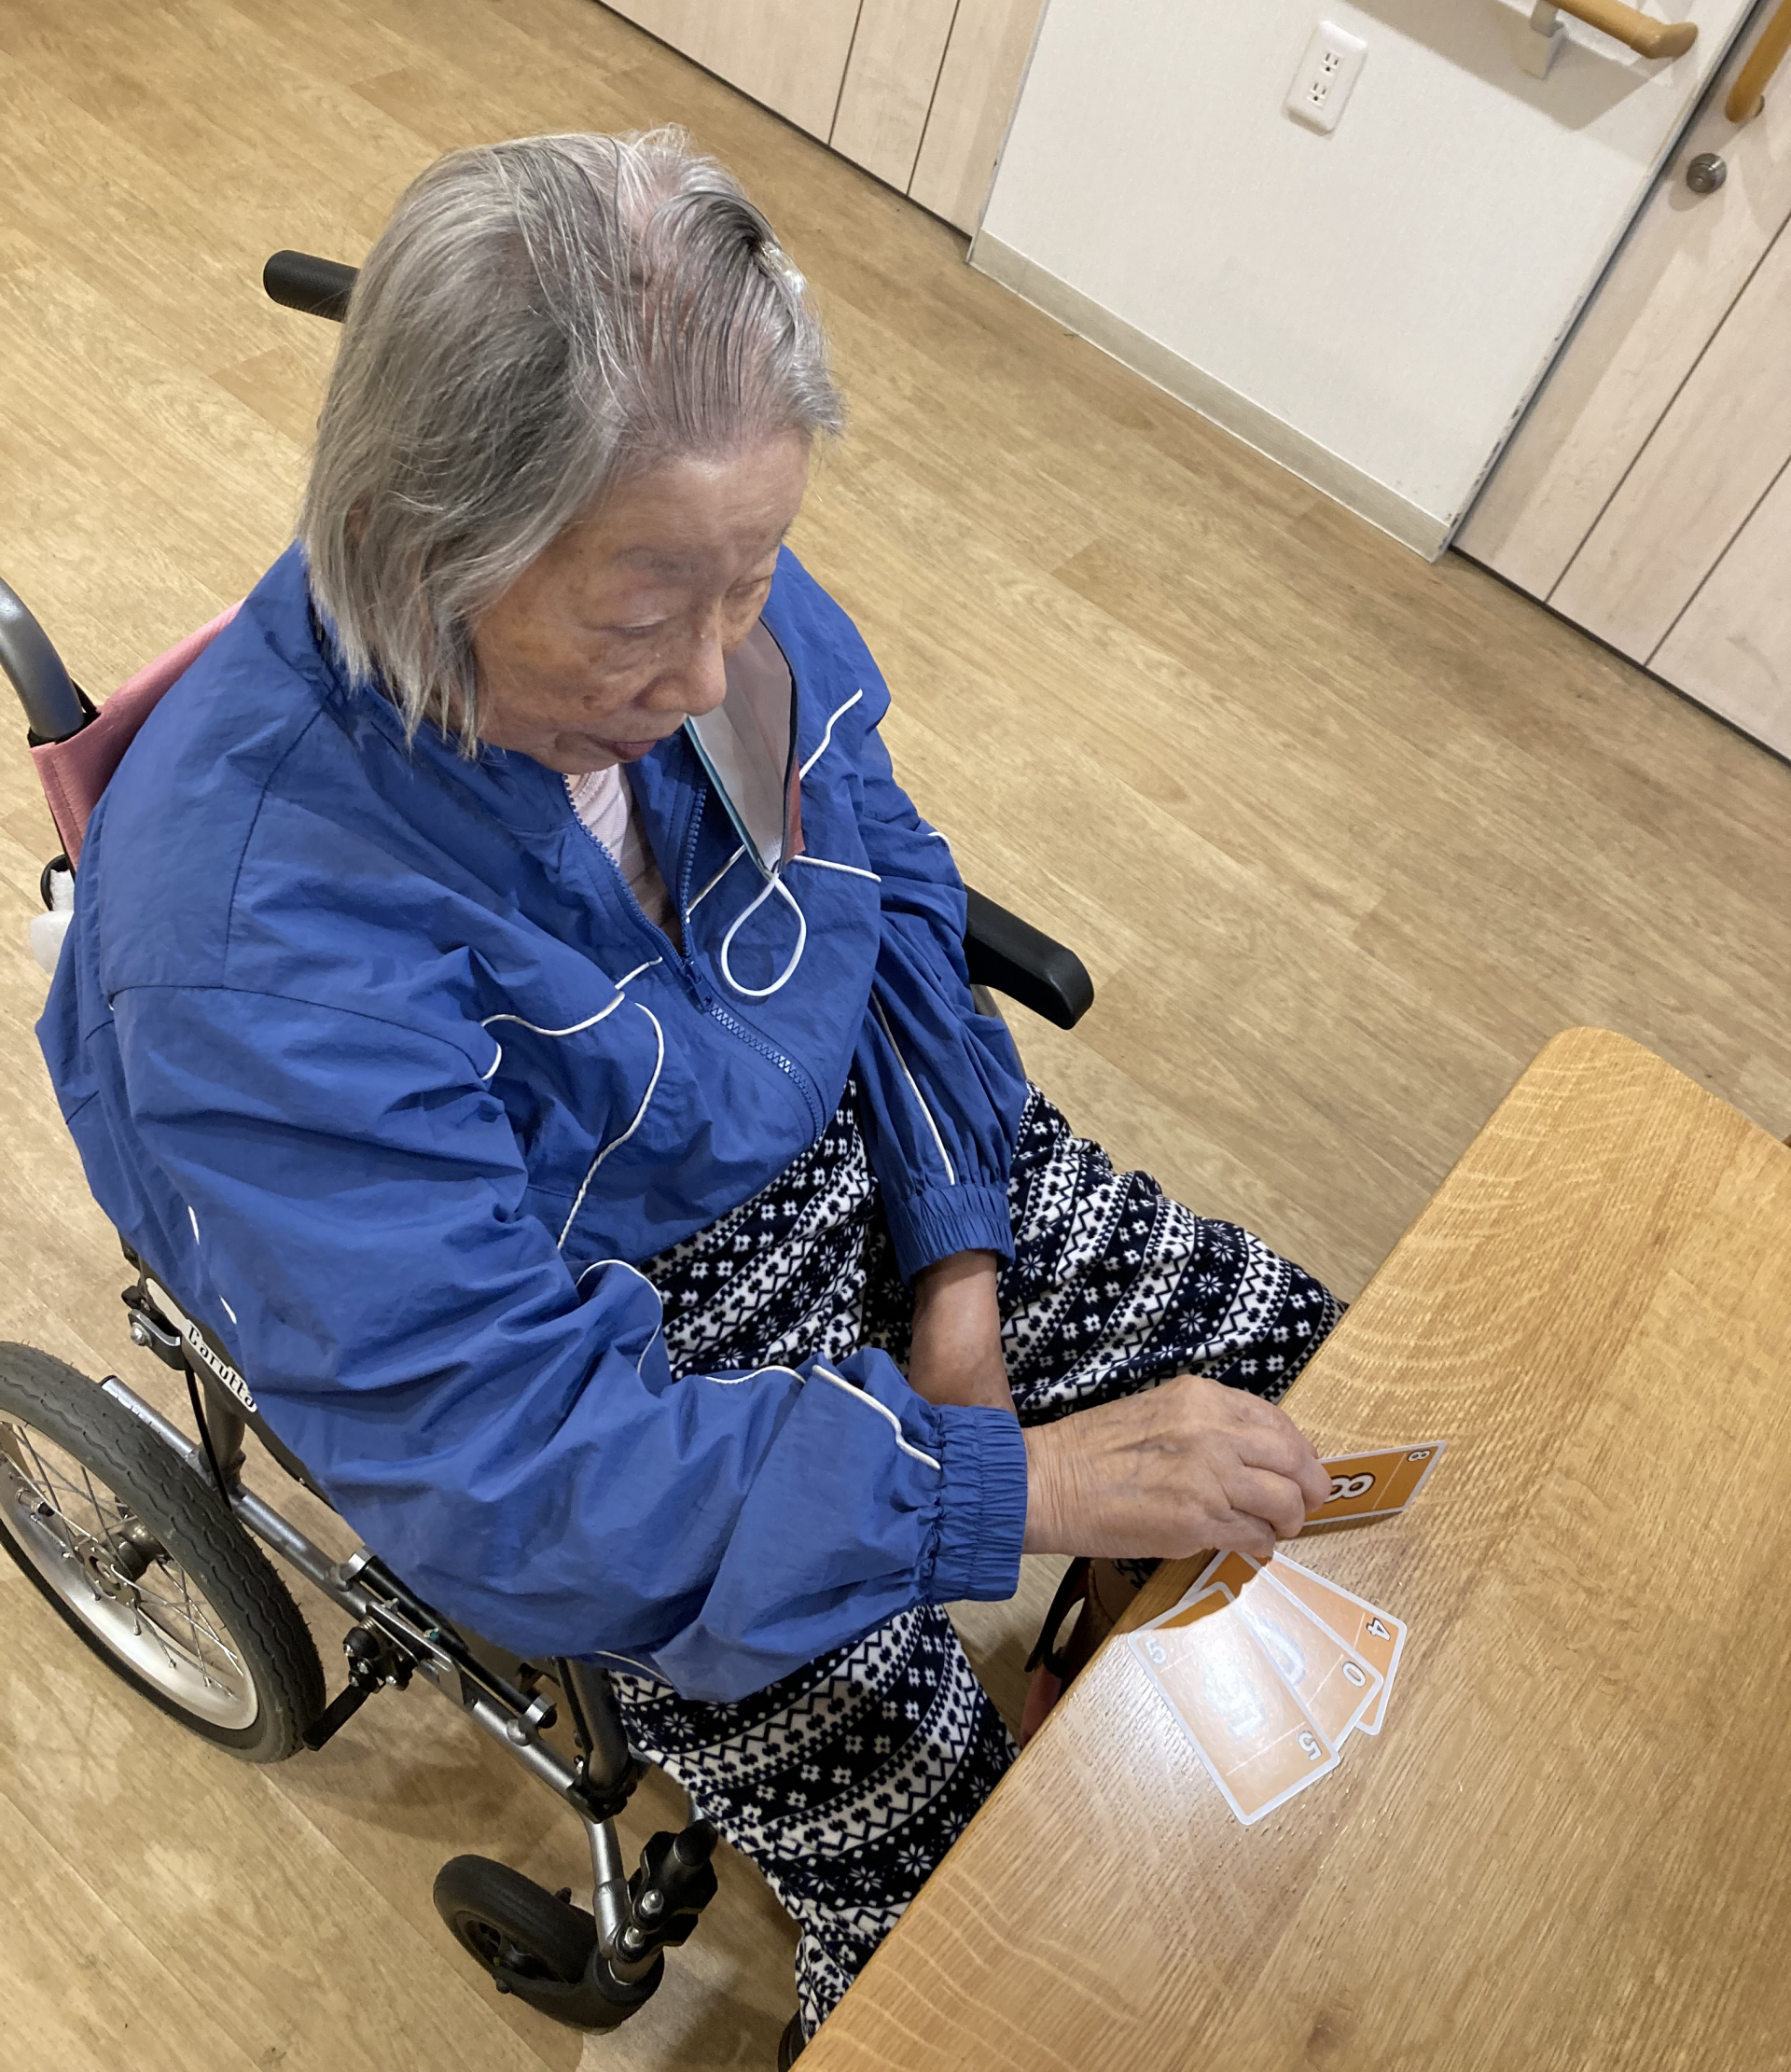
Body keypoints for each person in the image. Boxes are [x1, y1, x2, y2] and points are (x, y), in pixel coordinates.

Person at [40, 131, 1341, 2053]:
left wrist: (959, 1279)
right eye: (651, 614)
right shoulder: (256, 955)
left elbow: (879, 879)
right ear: (417, 543)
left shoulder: (703, 589)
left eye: (757, 577)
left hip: (843, 1150)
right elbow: (512, 1457)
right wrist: (1022, 1484)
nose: (721, 661)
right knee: (962, 1902)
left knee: (1315, 1374)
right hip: (615, 1360)